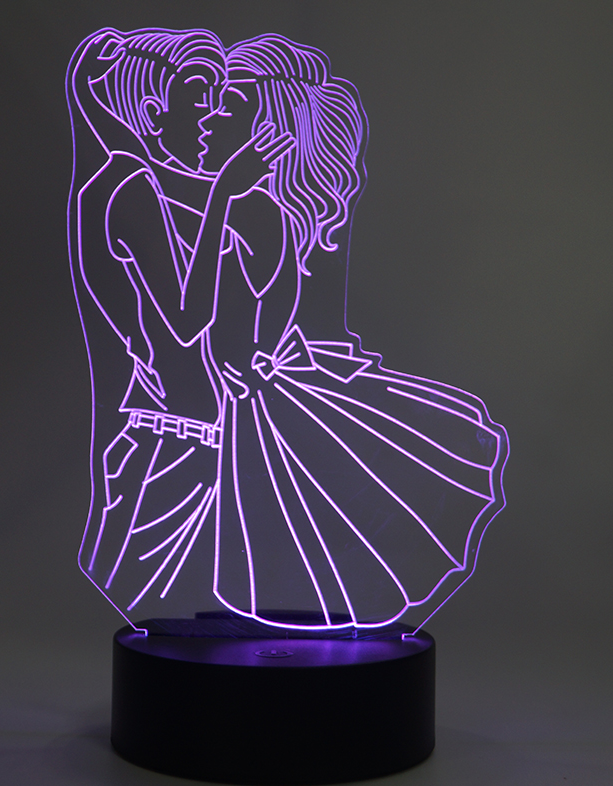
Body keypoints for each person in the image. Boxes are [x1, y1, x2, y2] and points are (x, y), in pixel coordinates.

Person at [190, 34, 509, 631]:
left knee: (300, 544)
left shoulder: (250, 209)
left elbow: (198, 320)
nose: (210, 116)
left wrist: (219, 198)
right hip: (260, 395)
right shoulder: (279, 208)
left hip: (261, 399)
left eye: (228, 106)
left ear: (270, 129)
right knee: (301, 544)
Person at [67, 29, 294, 620]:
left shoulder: (126, 182)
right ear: (151, 112)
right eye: (198, 99)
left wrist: (83, 96)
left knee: (172, 614)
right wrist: (224, 195)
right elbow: (188, 322)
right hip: (162, 447)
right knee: (149, 608)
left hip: (180, 439)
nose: (212, 119)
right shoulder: (130, 191)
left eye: (217, 101)